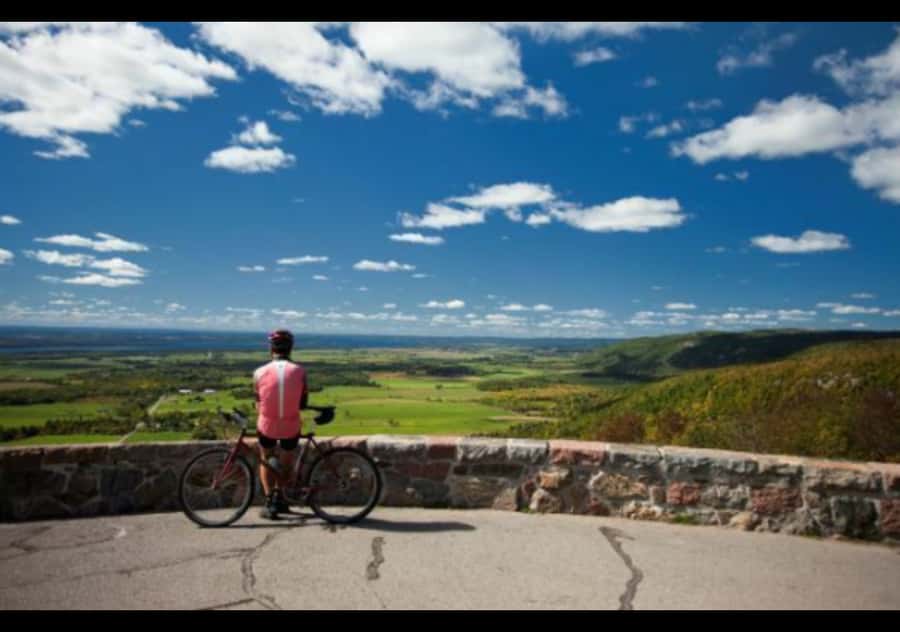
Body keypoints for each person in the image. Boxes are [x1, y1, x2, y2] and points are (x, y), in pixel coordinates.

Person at [253, 329, 308, 519]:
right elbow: (303, 403)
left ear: (271, 348)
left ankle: (269, 502)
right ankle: (281, 499)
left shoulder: (258, 372)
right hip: (291, 425)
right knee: (286, 461)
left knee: (265, 457)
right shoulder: (300, 371)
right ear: (291, 348)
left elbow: (258, 403)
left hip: (266, 425)